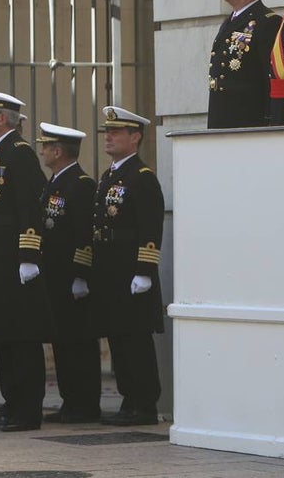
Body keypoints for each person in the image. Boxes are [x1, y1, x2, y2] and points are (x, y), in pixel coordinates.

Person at [0, 86, 52, 432]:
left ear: (2, 118)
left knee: (20, 336)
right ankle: (11, 402)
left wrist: (28, 254)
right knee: (1, 333)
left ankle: (26, 409)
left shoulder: (19, 153)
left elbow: (29, 207)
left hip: (14, 260)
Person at [92, 106, 165, 426]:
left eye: (116, 132)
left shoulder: (141, 177)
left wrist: (145, 271)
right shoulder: (109, 176)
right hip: (110, 272)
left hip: (131, 272)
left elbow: (150, 227)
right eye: (107, 132)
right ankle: (128, 398)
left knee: (135, 340)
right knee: (118, 338)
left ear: (135, 137)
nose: (108, 137)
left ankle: (145, 403)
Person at [35, 122, 101, 424]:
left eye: (46, 146)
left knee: (78, 344)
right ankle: (70, 400)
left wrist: (81, 274)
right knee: (61, 343)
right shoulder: (55, 183)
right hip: (54, 276)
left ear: (58, 151)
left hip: (71, 277)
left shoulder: (80, 184)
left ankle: (85, 403)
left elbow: (84, 234)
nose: (42, 151)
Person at [207, 0, 282, 128]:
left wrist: (268, 121)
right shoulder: (230, 21)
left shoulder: (267, 22)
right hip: (222, 116)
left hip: (249, 120)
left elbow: (268, 77)